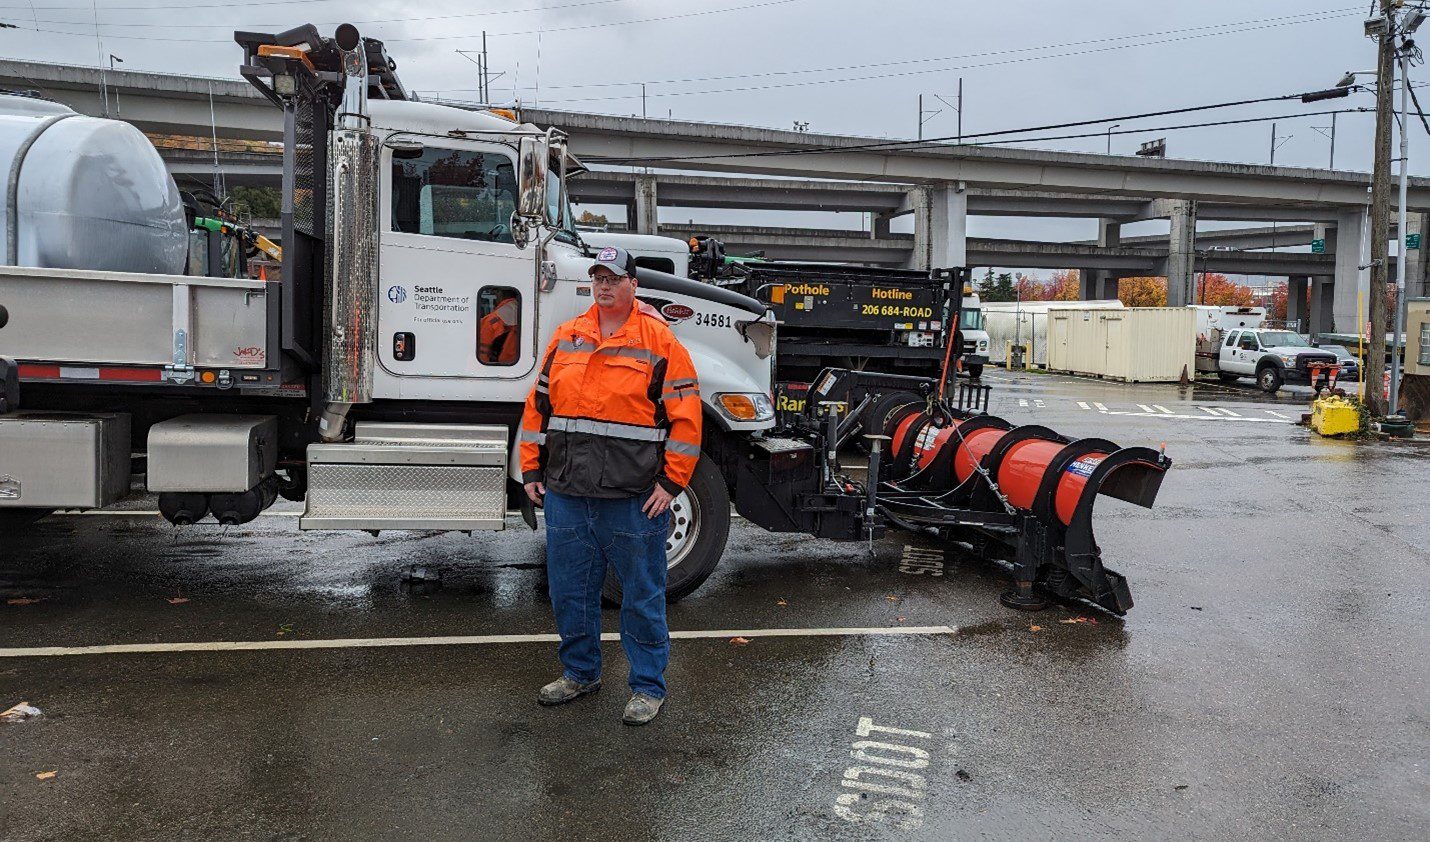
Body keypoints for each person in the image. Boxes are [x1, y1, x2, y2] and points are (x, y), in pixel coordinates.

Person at [517, 246, 702, 726]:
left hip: (633, 499)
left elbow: (686, 422)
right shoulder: (567, 336)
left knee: (641, 595)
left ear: (633, 285)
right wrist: (532, 470)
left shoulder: (661, 343)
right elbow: (538, 409)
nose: (604, 286)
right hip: (568, 494)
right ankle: (580, 673)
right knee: (570, 592)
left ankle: (647, 687)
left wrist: (671, 482)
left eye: (614, 278)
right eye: (599, 277)